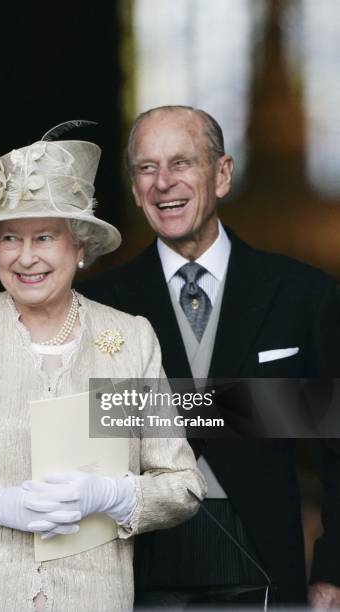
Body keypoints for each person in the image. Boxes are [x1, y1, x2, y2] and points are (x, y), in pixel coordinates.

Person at [0, 126, 206, 612]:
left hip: (91, 598)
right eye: (11, 238)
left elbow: (181, 484)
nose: (25, 257)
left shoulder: (129, 340)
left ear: (80, 249)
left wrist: (111, 496)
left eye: (46, 237)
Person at [79, 105, 340, 607]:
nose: (162, 183)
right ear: (134, 189)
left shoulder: (303, 294)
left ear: (221, 175)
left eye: (181, 163)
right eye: (147, 168)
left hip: (266, 569)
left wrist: (334, 571)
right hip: (135, 572)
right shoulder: (98, 305)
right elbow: (92, 422)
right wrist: (262, 408)